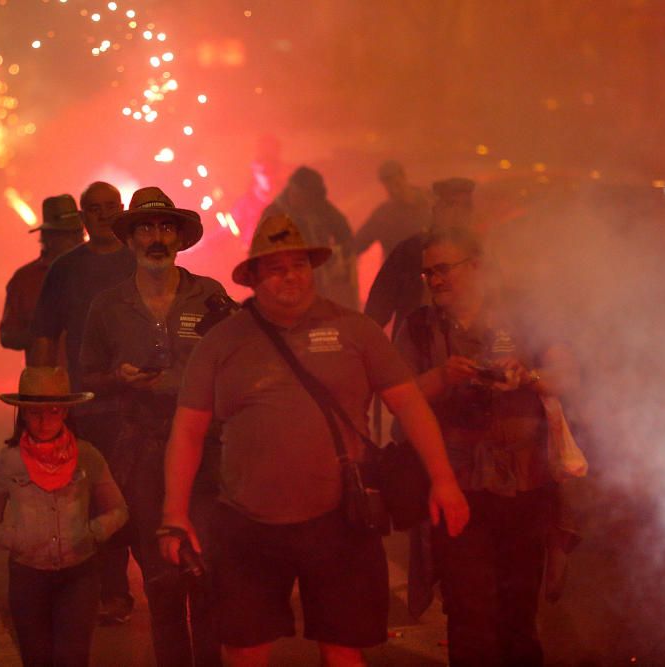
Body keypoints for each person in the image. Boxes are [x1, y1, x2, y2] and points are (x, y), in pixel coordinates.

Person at [160, 214, 469, 667]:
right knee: (244, 649)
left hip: (340, 519)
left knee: (344, 649)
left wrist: (444, 480)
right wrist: (174, 514)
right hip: (247, 523)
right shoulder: (221, 342)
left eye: (299, 265)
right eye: (276, 267)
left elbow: (409, 404)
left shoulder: (353, 330)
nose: (291, 276)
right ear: (253, 278)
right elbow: (187, 431)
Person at [394, 225, 579, 666]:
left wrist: (526, 377)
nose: (435, 281)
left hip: (526, 487)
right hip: (456, 489)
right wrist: (443, 377)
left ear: (475, 267)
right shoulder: (419, 329)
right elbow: (396, 396)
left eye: (443, 269)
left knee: (519, 613)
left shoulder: (526, 317)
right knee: (469, 614)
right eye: (428, 274)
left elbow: (567, 377)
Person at [78, 186, 227, 667]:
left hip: (207, 455)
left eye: (165, 227)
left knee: (205, 575)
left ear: (180, 238)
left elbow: (238, 363)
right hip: (141, 456)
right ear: (130, 239)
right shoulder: (108, 306)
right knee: (161, 583)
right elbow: (88, 375)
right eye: (145, 228)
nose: (156, 237)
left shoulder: (211, 296)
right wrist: (117, 379)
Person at [30, 181, 137, 622]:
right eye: (95, 209)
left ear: (122, 210)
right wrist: (39, 404)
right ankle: (113, 593)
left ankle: (162, 586)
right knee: (99, 501)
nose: (104, 216)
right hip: (88, 407)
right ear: (83, 216)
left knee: (147, 497)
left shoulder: (143, 260)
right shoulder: (65, 270)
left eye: (112, 207)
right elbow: (43, 334)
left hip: (146, 405)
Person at [0, 366, 128, 667]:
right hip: (28, 576)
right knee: (36, 658)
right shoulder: (7, 463)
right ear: (22, 415)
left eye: (53, 411)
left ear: (66, 413)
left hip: (79, 574)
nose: (44, 421)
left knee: (73, 658)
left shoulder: (88, 456)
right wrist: (16, 539)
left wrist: (93, 531)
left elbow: (119, 510)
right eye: (34, 412)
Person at [365, 177, 476, 338]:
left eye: (466, 206)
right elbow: (378, 308)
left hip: (469, 353)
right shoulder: (409, 251)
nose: (459, 213)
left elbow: (498, 306)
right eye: (451, 205)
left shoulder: (480, 252)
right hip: (417, 348)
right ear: (437, 209)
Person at [0, 195, 84, 361]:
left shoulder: (94, 271)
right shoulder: (25, 279)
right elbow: (7, 336)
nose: (76, 240)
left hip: (89, 381)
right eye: (68, 235)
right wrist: (42, 335)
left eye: (78, 233)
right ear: (49, 238)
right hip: (47, 382)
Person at [261, 166, 358, 310]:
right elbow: (262, 254)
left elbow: (345, 234)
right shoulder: (274, 215)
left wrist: (339, 257)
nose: (305, 202)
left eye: (309, 199)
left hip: (322, 284)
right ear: (293, 190)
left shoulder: (320, 207)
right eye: (301, 196)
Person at [354, 160, 431, 259]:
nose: (394, 190)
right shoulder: (383, 216)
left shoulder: (431, 203)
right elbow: (358, 243)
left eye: (397, 184)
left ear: (403, 177)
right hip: (400, 271)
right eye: (389, 186)